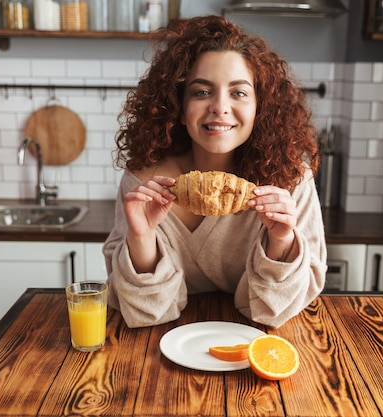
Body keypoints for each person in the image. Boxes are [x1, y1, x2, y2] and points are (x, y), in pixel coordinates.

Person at [103, 15, 327, 329]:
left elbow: (275, 312)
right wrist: (141, 238)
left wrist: (281, 241)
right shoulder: (144, 185)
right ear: (178, 108)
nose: (220, 107)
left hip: (256, 343)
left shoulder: (291, 181)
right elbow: (144, 313)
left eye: (239, 93)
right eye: (201, 92)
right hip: (158, 346)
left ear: (258, 109)